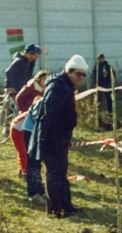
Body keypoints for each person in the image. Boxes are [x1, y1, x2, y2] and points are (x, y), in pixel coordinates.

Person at [28, 55, 87, 218]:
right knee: (54, 174)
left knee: (61, 173)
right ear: (68, 72)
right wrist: (58, 136)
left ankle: (66, 206)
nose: (81, 78)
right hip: (51, 138)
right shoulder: (56, 87)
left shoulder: (65, 85)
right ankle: (54, 210)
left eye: (84, 74)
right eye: (78, 74)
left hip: (59, 138)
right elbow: (50, 114)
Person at [22, 97, 46, 206]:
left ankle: (40, 190)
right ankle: (33, 194)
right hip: (28, 131)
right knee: (32, 163)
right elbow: (39, 120)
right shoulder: (41, 102)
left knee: (38, 162)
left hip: (37, 132)